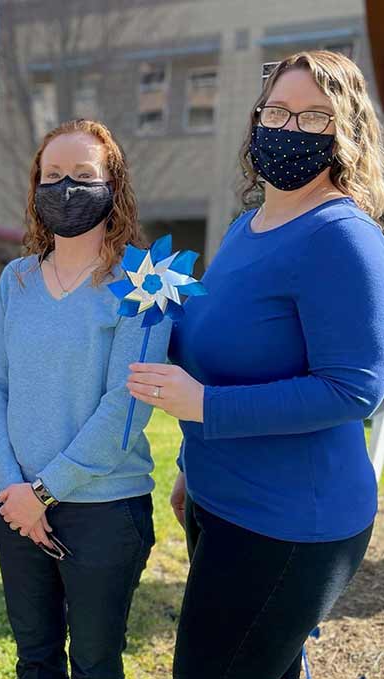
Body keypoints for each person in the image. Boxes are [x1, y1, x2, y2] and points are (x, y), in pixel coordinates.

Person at [126, 50, 384, 679]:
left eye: (313, 117)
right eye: (277, 111)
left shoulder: (341, 237)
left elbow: (354, 391)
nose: (288, 128)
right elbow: (219, 340)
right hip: (222, 501)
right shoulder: (248, 226)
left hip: (292, 524)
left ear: (345, 134)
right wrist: (193, 462)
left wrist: (206, 408)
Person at [0, 118, 171, 679]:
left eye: (83, 175)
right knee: (34, 660)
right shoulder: (15, 279)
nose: (66, 188)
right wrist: (13, 485)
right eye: (53, 175)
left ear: (113, 185)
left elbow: (128, 407)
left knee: (94, 662)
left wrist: (44, 491)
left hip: (104, 510)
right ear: (36, 188)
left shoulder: (145, 280)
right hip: (15, 505)